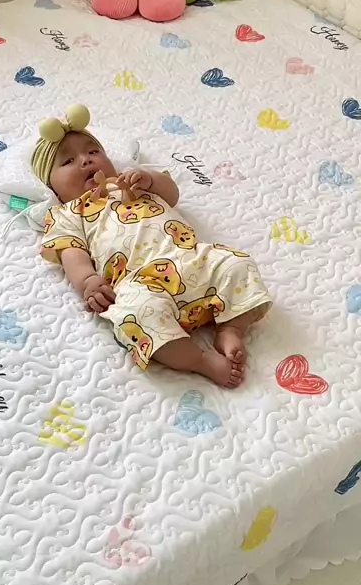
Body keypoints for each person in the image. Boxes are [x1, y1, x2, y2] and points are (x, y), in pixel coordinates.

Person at [32, 105, 272, 389]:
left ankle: (231, 327)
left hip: (191, 259)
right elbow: (72, 254)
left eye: (93, 151)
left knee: (236, 264)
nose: (86, 160)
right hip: (141, 282)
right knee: (134, 314)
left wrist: (150, 180)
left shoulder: (131, 182)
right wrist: (88, 282)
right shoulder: (69, 213)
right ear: (52, 187)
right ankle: (200, 360)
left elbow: (172, 195)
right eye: (68, 161)